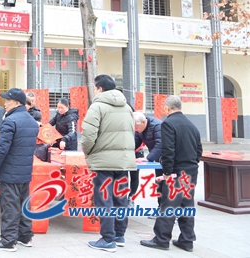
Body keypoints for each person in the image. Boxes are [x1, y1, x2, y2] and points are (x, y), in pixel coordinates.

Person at [81, 74, 136, 252]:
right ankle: (119, 235)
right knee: (121, 198)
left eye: (95, 87)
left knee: (104, 200)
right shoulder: (127, 107)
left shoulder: (97, 106)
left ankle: (107, 239)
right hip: (123, 162)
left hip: (103, 161)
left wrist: (88, 152)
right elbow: (132, 132)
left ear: (100, 89)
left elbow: (88, 135)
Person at [141, 95, 202, 252]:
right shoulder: (191, 125)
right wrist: (192, 164)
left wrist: (167, 171)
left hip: (176, 172)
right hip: (190, 171)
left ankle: (161, 239)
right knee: (186, 205)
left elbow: (168, 150)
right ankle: (187, 240)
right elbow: (199, 150)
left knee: (168, 205)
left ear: (167, 108)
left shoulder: (168, 124)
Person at [0, 88, 39, 251]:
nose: (5, 103)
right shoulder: (32, 121)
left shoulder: (10, 121)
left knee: (10, 206)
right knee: (23, 205)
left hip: (9, 172)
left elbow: (1, 149)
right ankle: (25, 237)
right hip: (25, 171)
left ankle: (8, 241)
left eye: (8, 100)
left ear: (16, 103)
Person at [130, 111, 162, 201]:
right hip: (158, 157)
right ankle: (160, 207)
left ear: (144, 122)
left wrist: (148, 158)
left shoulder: (157, 126)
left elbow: (160, 145)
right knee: (159, 182)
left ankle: (165, 208)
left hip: (168, 158)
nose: (135, 129)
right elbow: (135, 144)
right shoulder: (139, 130)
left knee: (165, 183)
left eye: (136, 127)